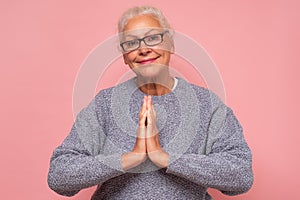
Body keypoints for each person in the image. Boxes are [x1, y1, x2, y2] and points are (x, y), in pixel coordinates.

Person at [48, 6, 253, 200]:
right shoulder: (105, 104)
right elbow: (59, 176)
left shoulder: (207, 105)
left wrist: (164, 158)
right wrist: (131, 158)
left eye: (153, 38)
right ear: (125, 57)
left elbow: (241, 175)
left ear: (170, 44)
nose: (143, 49)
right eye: (131, 43)